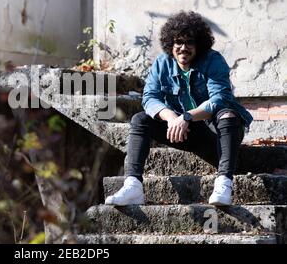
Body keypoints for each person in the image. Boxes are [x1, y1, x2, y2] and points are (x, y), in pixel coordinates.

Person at [105, 11, 253, 206]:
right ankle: (133, 185)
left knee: (228, 116)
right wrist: (173, 117)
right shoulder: (162, 63)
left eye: (190, 42)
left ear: (199, 44)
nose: (183, 47)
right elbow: (150, 97)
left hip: (215, 133)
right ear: (170, 44)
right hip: (183, 132)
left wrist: (187, 117)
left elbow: (220, 98)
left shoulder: (213, 60)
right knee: (140, 120)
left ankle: (224, 183)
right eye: (178, 42)